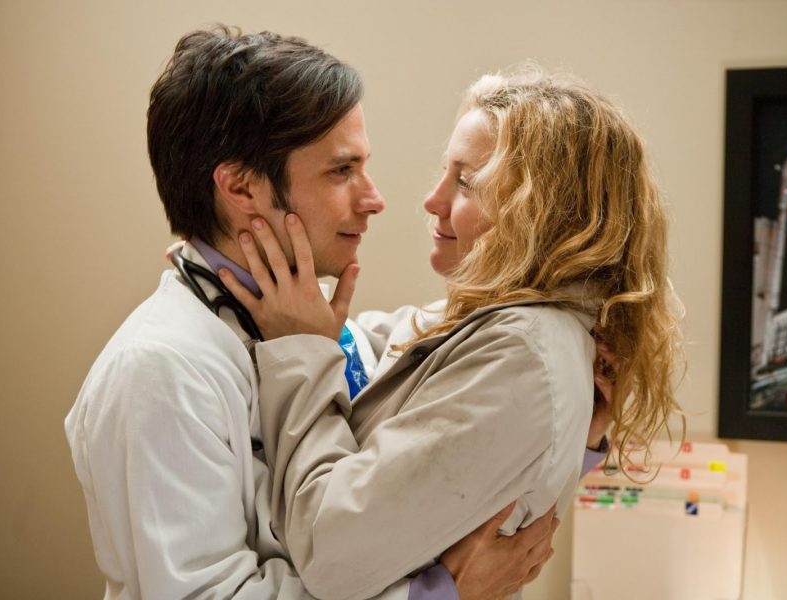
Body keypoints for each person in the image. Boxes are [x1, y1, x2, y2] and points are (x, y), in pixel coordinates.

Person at [65, 27, 564, 600]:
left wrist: (578, 407)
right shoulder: (160, 371)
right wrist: (437, 593)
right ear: (241, 187)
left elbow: (432, 359)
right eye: (341, 171)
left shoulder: (305, 327)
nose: (374, 199)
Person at [221, 68, 683, 600]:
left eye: (465, 183)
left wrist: (301, 352)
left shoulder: (523, 354)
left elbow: (329, 550)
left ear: (543, 214)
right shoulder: (512, 324)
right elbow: (395, 349)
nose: (432, 201)